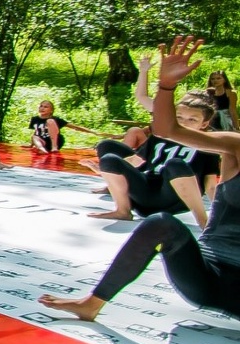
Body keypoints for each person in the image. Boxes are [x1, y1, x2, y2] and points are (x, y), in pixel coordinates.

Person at [42, 37, 240, 323]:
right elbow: (167, 128)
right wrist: (166, 87)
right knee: (161, 223)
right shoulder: (235, 146)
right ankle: (92, 303)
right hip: (209, 274)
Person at [86, 91, 220, 228]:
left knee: (175, 164)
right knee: (109, 159)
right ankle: (123, 211)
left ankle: (203, 222)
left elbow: (210, 185)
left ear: (204, 124)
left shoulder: (207, 146)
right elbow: (135, 161)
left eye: (192, 120)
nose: (184, 123)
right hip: (145, 193)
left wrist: (220, 215)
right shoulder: (159, 136)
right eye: (179, 117)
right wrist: (104, 169)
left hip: (173, 199)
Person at [28, 100, 112, 154]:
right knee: (34, 136)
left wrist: (93, 132)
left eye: (45, 107)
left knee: (50, 121)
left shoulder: (56, 119)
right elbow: (36, 132)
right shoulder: (35, 119)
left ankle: (54, 147)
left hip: (54, 142)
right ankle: (42, 149)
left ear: (51, 110)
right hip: (42, 142)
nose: (42, 108)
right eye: (41, 106)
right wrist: (31, 145)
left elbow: (73, 127)